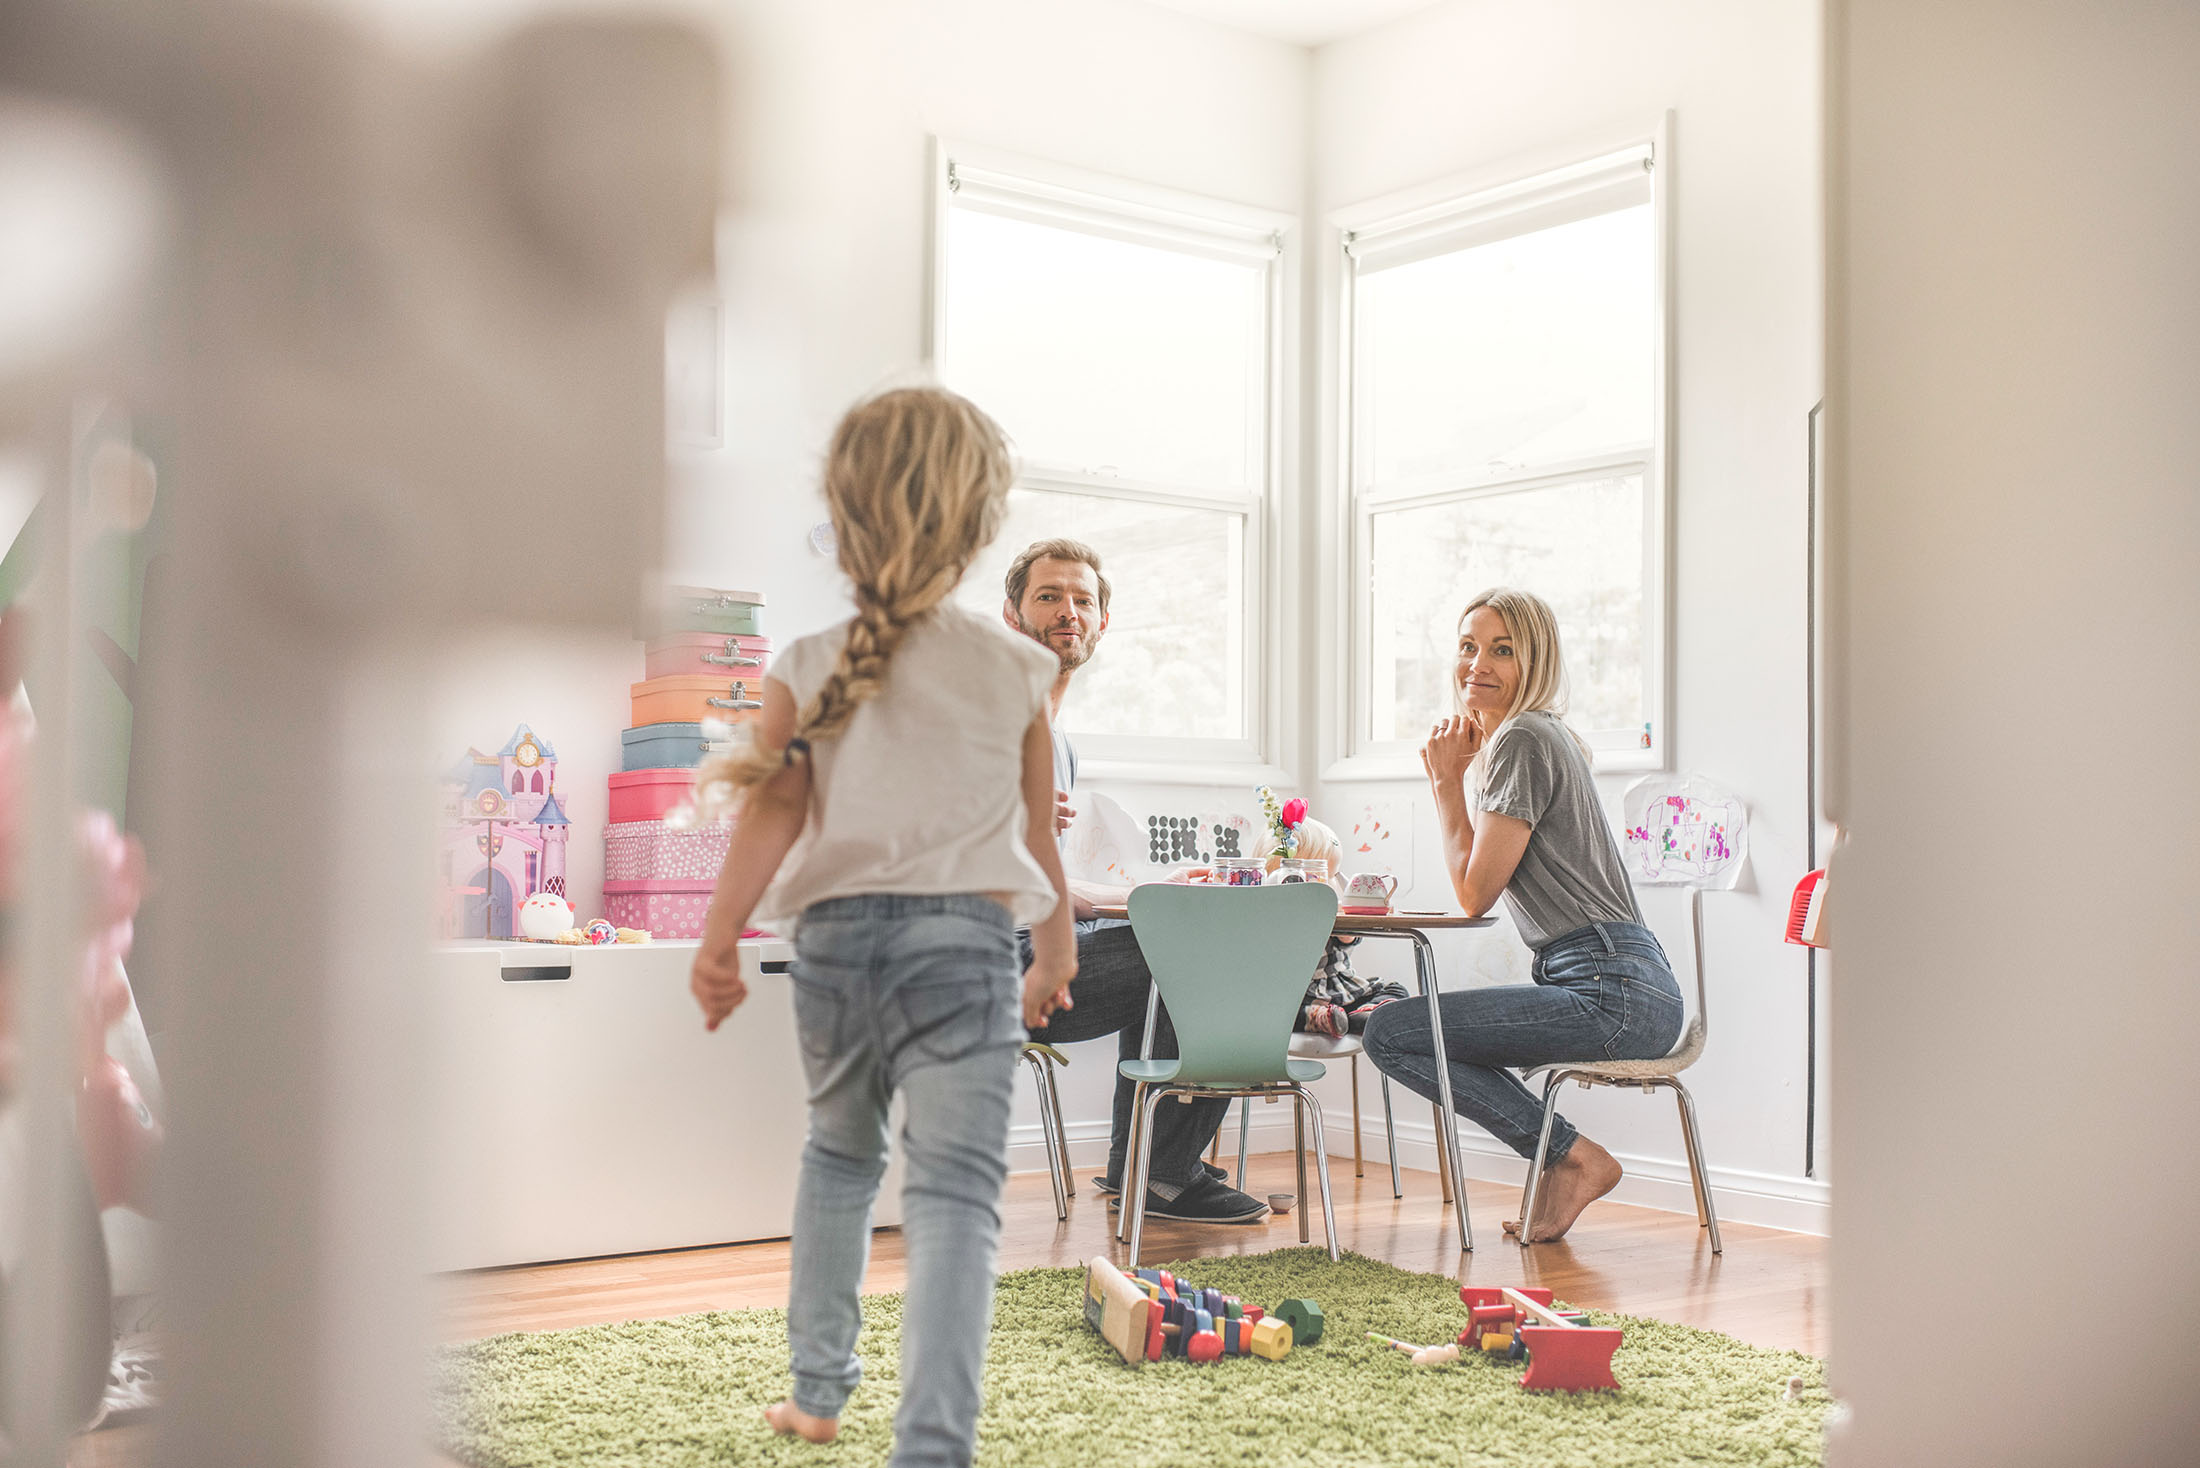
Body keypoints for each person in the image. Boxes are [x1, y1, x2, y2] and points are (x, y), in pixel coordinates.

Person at [686, 387, 1077, 1468]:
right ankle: (933, 1445)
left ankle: (816, 1395)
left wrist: (718, 940)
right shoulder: (1019, 670)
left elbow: (772, 810)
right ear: (977, 522)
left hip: (833, 951)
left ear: (845, 516)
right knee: (954, 1196)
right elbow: (1037, 834)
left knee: (839, 1158)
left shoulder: (806, 663)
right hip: (961, 952)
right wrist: (1056, 947)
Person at [1361, 587, 1685, 1243]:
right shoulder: (1537, 738)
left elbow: (1474, 894)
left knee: (1391, 1034)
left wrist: (1445, 784)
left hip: (1609, 988)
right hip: (1625, 985)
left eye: (1502, 650)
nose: (1477, 664)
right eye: (1467, 646)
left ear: (1534, 662)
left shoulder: (1524, 740)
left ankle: (1567, 1156)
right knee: (1418, 1032)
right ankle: (1560, 1156)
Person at [999, 539, 1267, 1224]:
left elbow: (1061, 884)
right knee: (1211, 955)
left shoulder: (1055, 736)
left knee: (1186, 934)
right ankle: (1163, 1176)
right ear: (1012, 614)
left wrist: (1169, 888)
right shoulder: (998, 718)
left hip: (1044, 940)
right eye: (1049, 596)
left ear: (1102, 622)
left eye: (1082, 600)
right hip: (997, 963)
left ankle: (1146, 1169)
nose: (1068, 612)